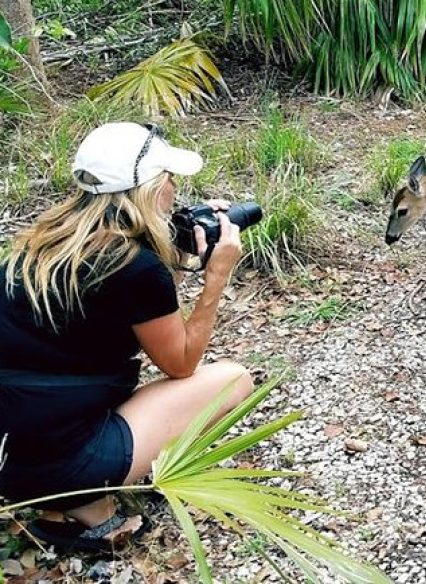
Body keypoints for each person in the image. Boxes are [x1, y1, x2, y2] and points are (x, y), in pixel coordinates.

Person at [0, 123, 255, 552]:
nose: (175, 187)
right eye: (169, 178)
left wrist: (171, 247)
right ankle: (89, 507)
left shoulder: (34, 248)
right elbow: (180, 364)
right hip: (64, 463)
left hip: (10, 457)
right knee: (233, 379)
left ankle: (64, 504)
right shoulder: (134, 267)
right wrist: (216, 278)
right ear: (151, 189)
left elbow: (118, 299)